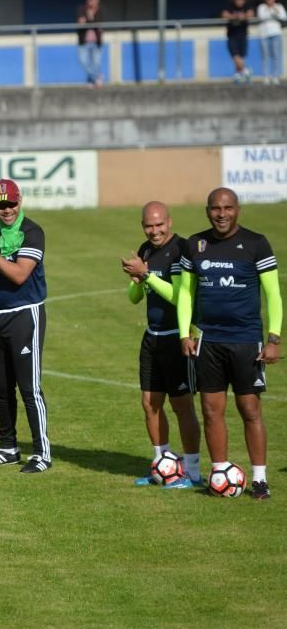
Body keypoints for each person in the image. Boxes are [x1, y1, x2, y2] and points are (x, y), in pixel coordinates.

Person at [177, 187, 282, 500]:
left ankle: (260, 479)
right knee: (211, 410)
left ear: (238, 209)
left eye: (227, 208)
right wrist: (185, 333)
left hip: (246, 340)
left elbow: (273, 294)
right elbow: (185, 292)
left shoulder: (256, 244)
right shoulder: (195, 244)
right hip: (208, 340)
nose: (221, 214)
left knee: (249, 408)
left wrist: (273, 338)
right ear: (207, 210)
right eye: (215, 208)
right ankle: (220, 471)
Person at [0, 179, 52, 473]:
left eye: (11, 204)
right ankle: (8, 446)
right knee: (1, 386)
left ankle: (42, 452)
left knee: (29, 388)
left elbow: (19, 275)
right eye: (1, 205)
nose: (6, 210)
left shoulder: (32, 231)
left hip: (25, 314)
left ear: (20, 201)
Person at [120, 202, 202, 488]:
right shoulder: (145, 250)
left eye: (159, 225)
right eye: (148, 226)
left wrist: (147, 275)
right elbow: (135, 298)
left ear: (169, 221)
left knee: (182, 405)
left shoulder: (181, 249)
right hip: (152, 337)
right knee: (150, 403)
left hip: (177, 337)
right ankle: (162, 466)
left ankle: (192, 471)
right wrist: (135, 281)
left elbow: (180, 296)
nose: (154, 231)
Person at [223, 0, 255, 84]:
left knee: (241, 56)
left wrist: (244, 16)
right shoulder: (230, 6)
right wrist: (235, 16)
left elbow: (251, 13)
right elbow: (224, 14)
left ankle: (237, 75)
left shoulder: (247, 6)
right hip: (232, 35)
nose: (239, 1)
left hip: (243, 35)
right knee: (234, 55)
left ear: (244, 0)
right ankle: (246, 71)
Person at [257, 0, 286, 84]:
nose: (269, 0)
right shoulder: (261, 7)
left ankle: (275, 76)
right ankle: (266, 76)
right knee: (265, 55)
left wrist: (274, 9)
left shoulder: (279, 6)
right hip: (264, 34)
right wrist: (271, 12)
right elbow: (262, 17)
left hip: (276, 33)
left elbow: (284, 17)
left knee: (276, 55)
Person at [76, 0, 105, 88]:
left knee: (95, 63)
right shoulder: (81, 9)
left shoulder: (101, 10)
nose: (91, 2)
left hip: (96, 42)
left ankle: (91, 81)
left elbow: (100, 25)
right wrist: (91, 21)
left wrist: (88, 20)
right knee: (83, 61)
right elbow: (80, 23)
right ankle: (97, 78)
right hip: (83, 42)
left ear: (98, 0)